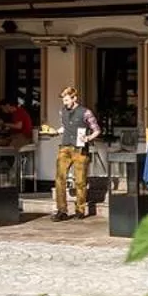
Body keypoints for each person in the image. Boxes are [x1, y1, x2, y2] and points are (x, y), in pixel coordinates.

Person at [43, 87, 100, 221]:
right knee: (59, 179)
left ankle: (80, 210)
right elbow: (65, 127)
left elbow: (96, 129)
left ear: (74, 98)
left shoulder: (85, 112)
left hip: (80, 150)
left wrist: (88, 138)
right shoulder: (62, 111)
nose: (65, 102)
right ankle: (62, 210)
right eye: (63, 100)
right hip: (65, 147)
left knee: (80, 181)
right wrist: (55, 132)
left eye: (67, 99)